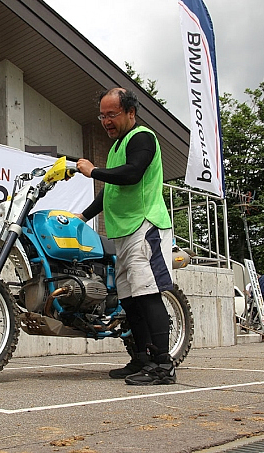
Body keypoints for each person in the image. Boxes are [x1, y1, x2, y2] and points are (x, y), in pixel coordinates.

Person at [76, 87, 175, 386]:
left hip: (145, 227)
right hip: (123, 233)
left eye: (112, 114)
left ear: (130, 113)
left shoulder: (142, 137)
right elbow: (112, 190)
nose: (106, 121)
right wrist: (82, 216)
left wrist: (93, 172)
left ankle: (163, 365)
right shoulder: (117, 145)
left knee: (148, 295)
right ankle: (142, 359)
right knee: (131, 301)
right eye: (102, 115)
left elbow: (132, 174)